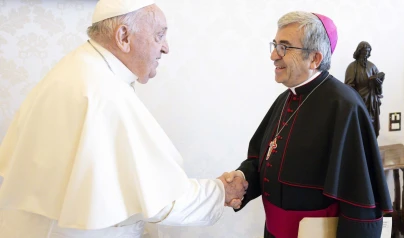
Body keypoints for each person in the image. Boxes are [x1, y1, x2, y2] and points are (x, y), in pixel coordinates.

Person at [0, 0, 246, 237]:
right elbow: (162, 200)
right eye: (159, 35)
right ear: (123, 37)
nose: (166, 47)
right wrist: (220, 191)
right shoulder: (103, 91)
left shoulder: (81, 67)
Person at [221, 11, 392, 238]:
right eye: (274, 44)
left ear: (315, 58)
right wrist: (241, 179)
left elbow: (359, 199)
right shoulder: (285, 100)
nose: (274, 55)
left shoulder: (345, 106)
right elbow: (263, 159)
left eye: (284, 46)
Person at [345, 41, 385, 137]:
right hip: (359, 100)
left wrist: (378, 84)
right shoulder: (352, 67)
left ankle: (372, 148)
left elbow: (379, 87)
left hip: (372, 101)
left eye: (368, 52)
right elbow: (348, 87)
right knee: (360, 126)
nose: (366, 54)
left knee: (372, 125)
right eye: (364, 51)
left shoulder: (372, 66)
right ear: (359, 51)